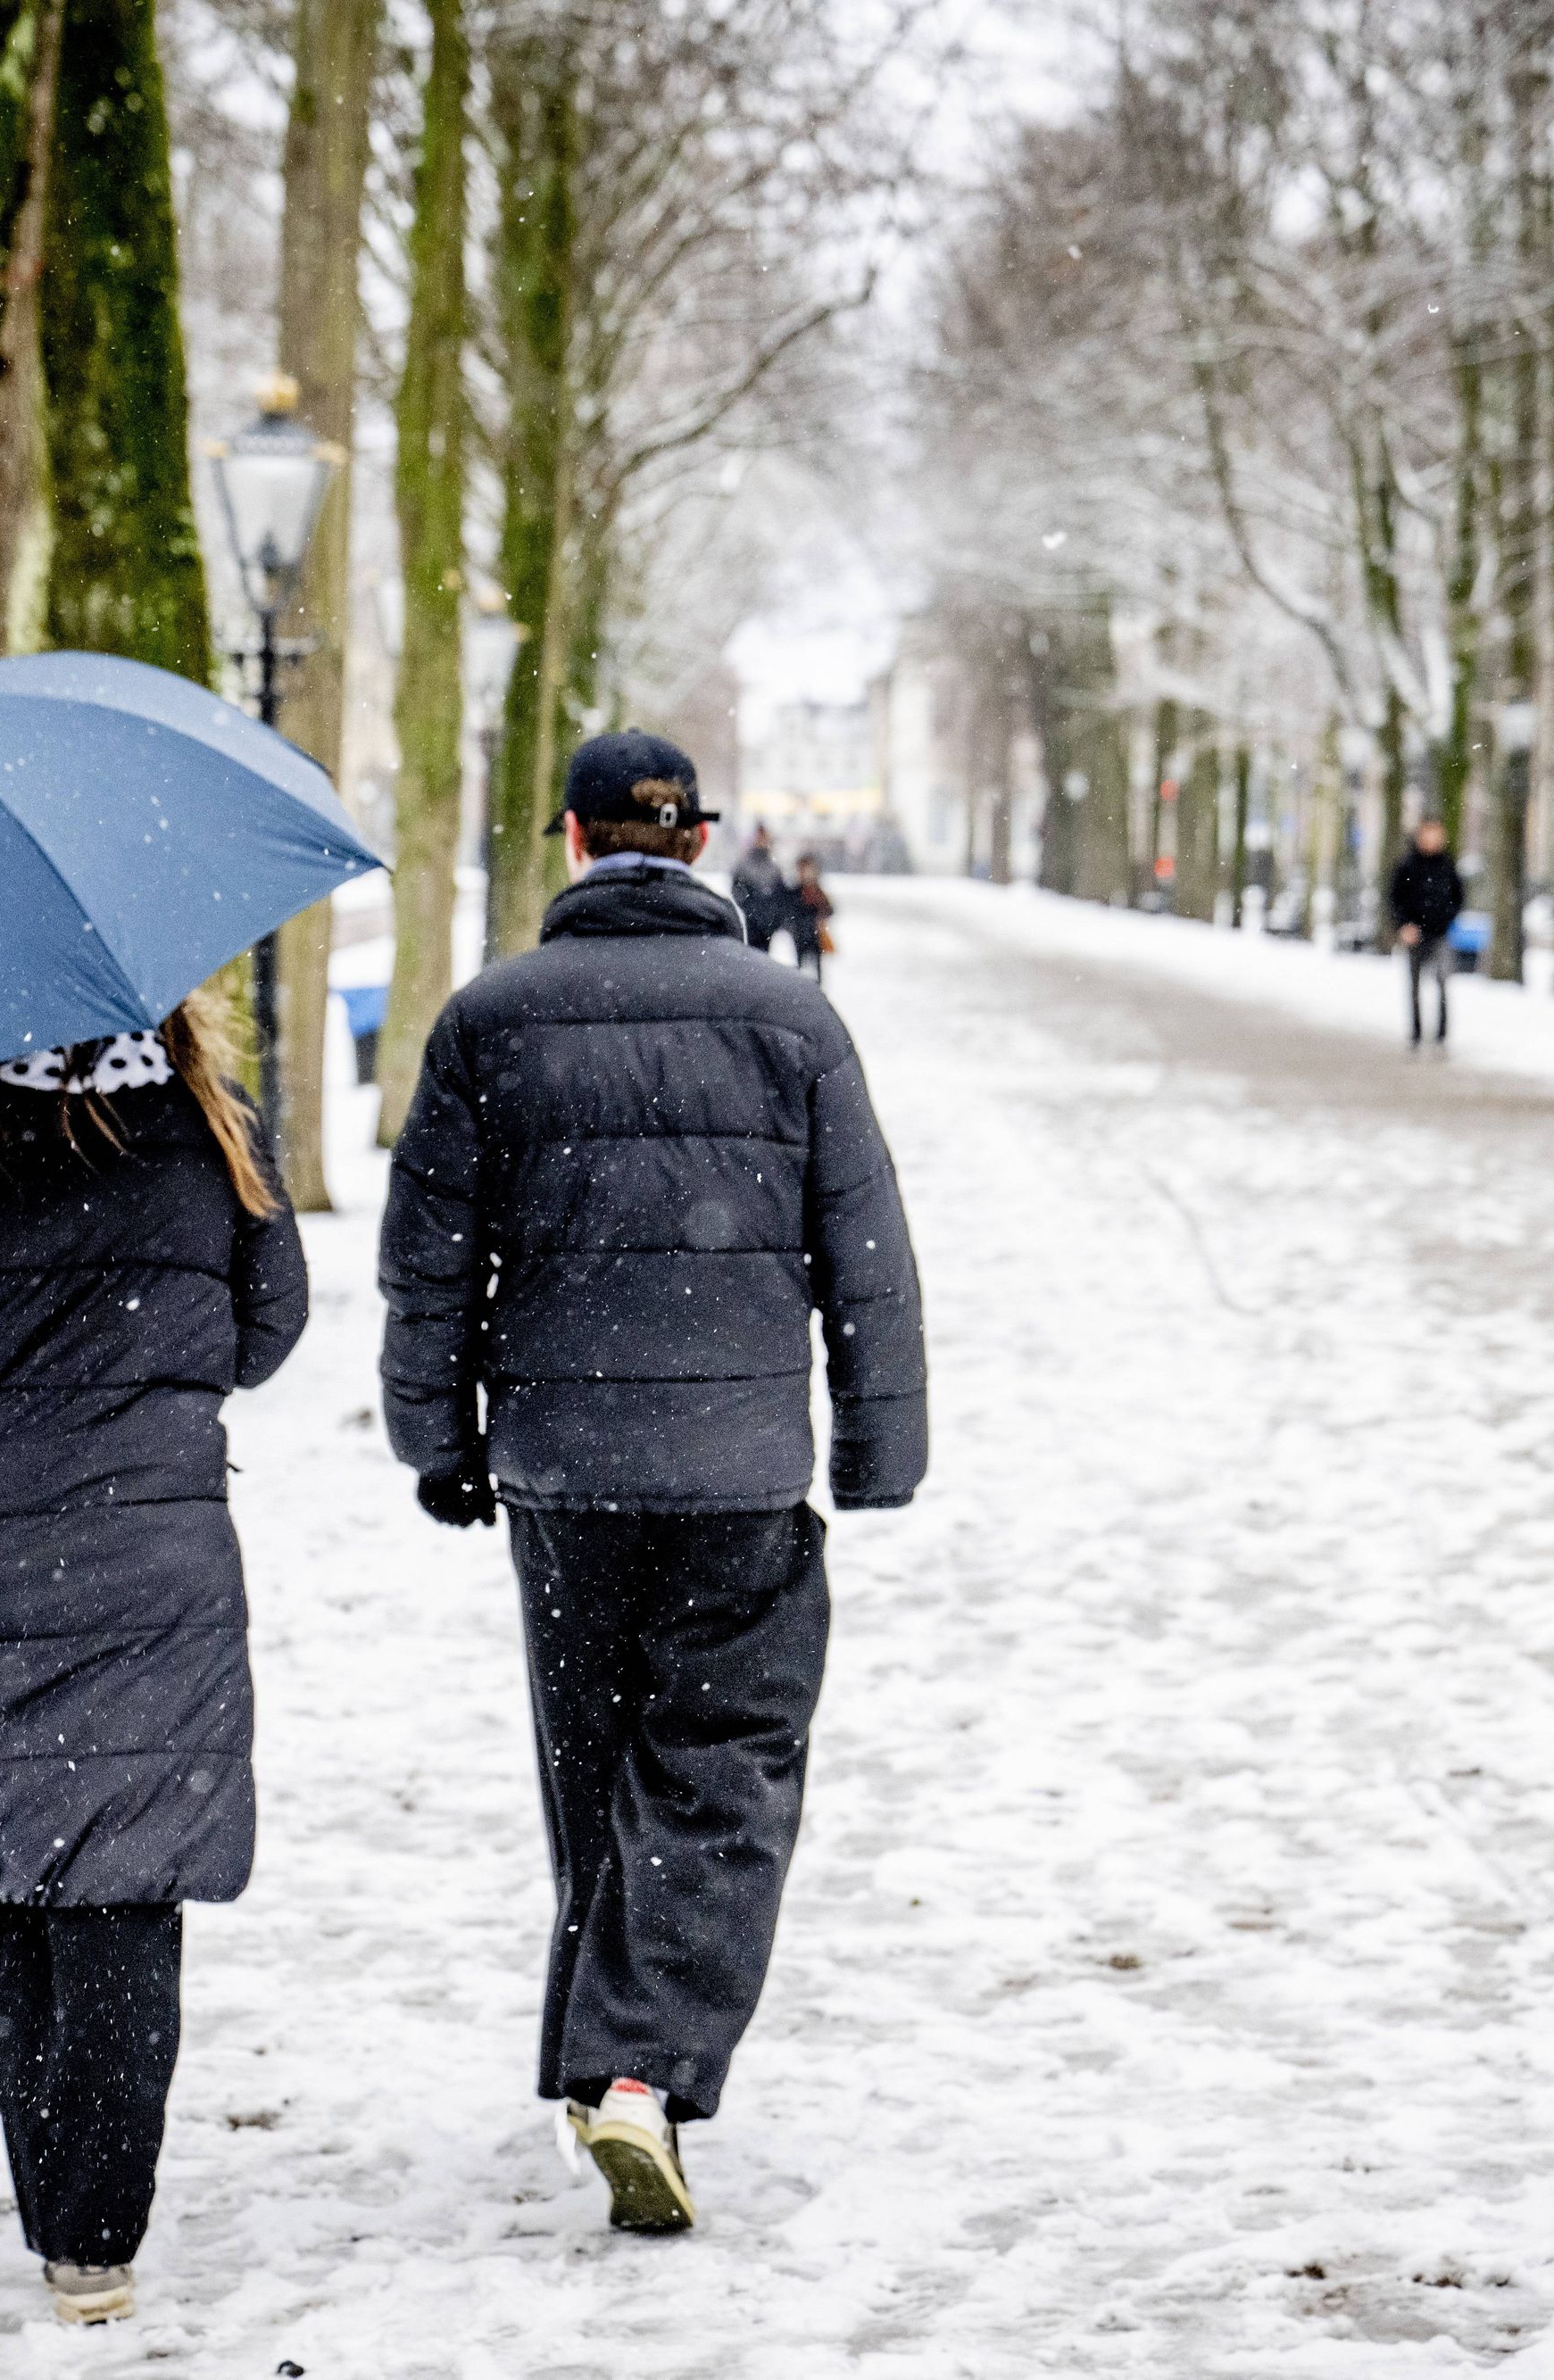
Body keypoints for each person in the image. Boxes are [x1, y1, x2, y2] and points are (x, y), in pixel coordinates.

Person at [378, 729, 927, 2236]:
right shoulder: (789, 1020)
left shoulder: (490, 1020)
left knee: (595, 1762)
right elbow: (867, 1258)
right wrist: (881, 1446)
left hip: (563, 1467)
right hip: (741, 1468)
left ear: (570, 841)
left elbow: (427, 1258)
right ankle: (642, 2073)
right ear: (695, 848)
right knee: (726, 1770)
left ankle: (600, 2053)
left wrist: (438, 1438)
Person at [0, 991, 305, 2328]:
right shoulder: (211, 1124)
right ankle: (89, 2237)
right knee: (119, 1879)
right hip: (149, 1560)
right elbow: (266, 1331)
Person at [1388, 817, 1465, 1051]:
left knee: (1442, 981)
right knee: (1414, 985)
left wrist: (1447, 919)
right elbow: (1394, 898)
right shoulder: (1407, 865)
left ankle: (1441, 1035)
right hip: (1414, 933)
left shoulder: (1447, 865)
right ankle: (1416, 1033)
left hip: (1440, 933)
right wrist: (1404, 925)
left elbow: (1458, 897)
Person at [727, 826, 789, 952]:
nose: (761, 841)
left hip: (768, 921)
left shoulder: (774, 865)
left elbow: (781, 895)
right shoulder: (745, 864)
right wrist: (751, 908)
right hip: (752, 920)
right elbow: (737, 889)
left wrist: (774, 916)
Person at [789, 853, 835, 982]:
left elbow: (830, 910)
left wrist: (820, 916)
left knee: (817, 970)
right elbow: (789, 912)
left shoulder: (818, 891)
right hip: (800, 935)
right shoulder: (795, 892)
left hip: (815, 936)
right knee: (800, 967)